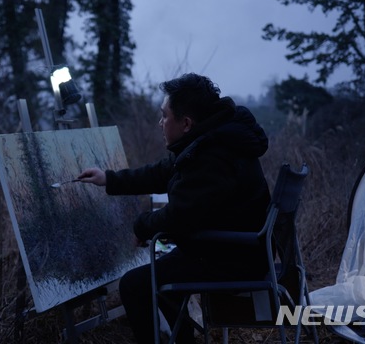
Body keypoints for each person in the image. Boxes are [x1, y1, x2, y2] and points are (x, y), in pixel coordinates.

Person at [78, 73, 271, 344]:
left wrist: (142, 225)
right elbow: (163, 172)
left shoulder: (212, 156)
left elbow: (179, 217)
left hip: (233, 259)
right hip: (232, 247)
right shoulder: (214, 137)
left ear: (186, 123)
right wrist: (109, 179)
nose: (160, 123)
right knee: (163, 271)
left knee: (134, 285)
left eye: (164, 116)